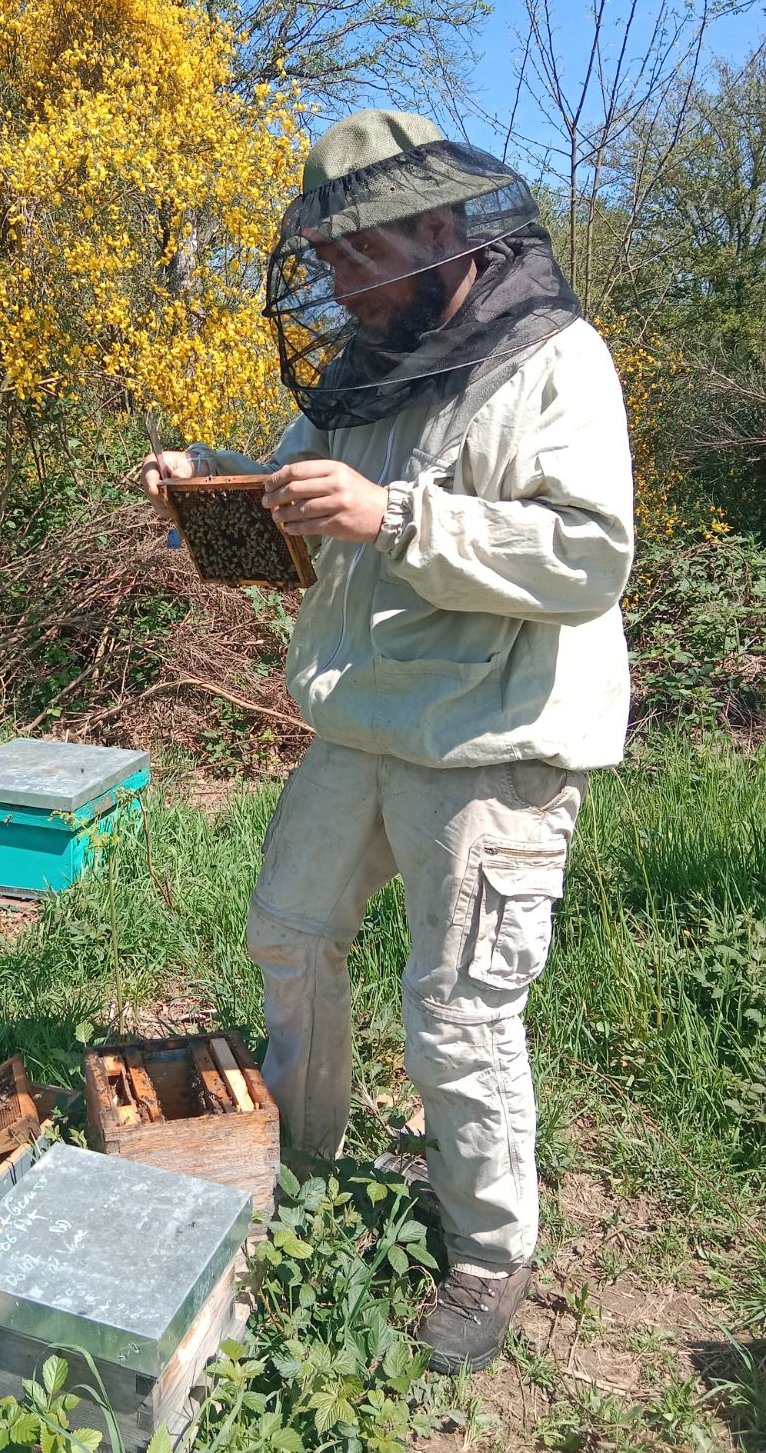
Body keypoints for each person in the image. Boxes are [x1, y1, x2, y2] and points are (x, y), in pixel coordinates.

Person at [140, 110, 634, 1373]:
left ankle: (487, 1253)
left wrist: (399, 515)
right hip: (363, 719)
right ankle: (296, 1152)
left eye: (359, 255)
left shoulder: (554, 360)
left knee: (458, 1010)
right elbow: (311, 518)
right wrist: (224, 481)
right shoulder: (364, 369)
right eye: (326, 260)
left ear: (436, 228)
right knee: (290, 930)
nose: (339, 286)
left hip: (492, 736)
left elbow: (589, 555)